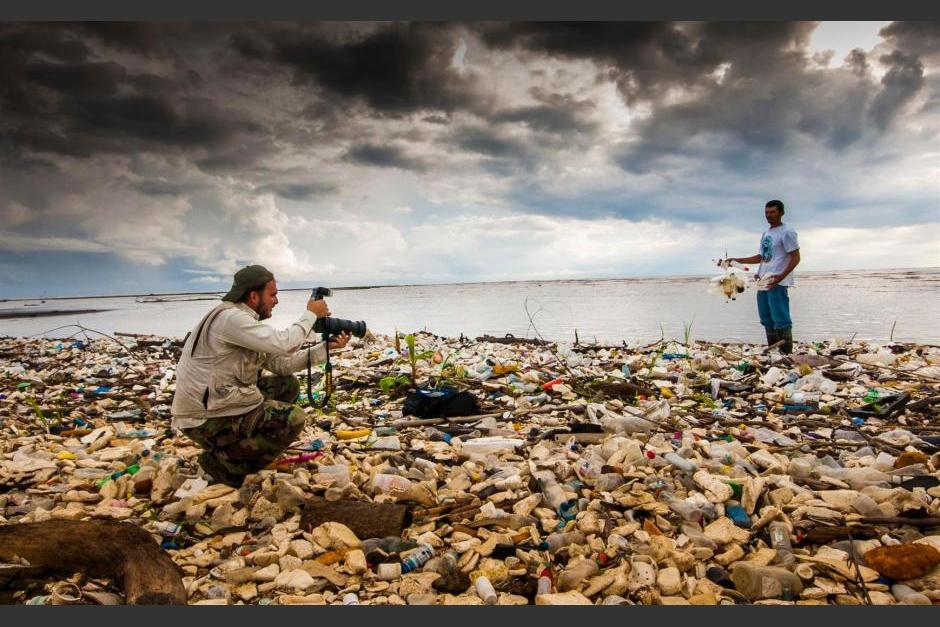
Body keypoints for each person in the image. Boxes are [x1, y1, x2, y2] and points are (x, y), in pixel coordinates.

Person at [170, 264, 351, 486]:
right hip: (203, 418)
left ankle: (238, 448)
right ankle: (224, 465)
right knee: (294, 418)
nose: (276, 301)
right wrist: (311, 314)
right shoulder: (230, 318)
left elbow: (282, 364)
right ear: (253, 296)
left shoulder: (243, 322)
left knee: (287, 384)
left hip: (217, 405)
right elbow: (286, 344)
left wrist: (326, 349)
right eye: (273, 294)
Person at [723, 200, 801, 354]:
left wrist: (780, 277)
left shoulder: (787, 231)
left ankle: (786, 353)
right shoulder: (766, 233)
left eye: (772, 212)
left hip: (776, 281)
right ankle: (773, 351)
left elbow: (796, 257)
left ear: (781, 213)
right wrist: (737, 260)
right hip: (763, 280)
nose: (769, 215)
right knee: (766, 318)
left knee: (781, 318)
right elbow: (761, 257)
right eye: (766, 212)